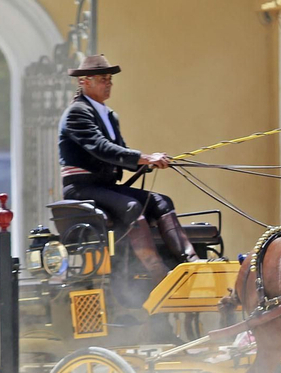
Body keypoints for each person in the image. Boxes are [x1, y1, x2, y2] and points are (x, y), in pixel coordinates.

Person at [57, 54, 195, 279]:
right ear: (84, 82)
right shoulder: (77, 113)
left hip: (106, 187)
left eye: (110, 79)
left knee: (162, 202)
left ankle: (191, 261)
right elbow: (102, 148)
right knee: (131, 206)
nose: (109, 84)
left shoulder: (110, 116)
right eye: (103, 79)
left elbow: (120, 151)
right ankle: (159, 273)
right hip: (82, 188)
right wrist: (146, 158)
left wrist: (146, 164)